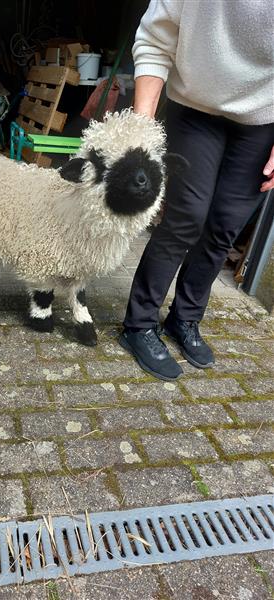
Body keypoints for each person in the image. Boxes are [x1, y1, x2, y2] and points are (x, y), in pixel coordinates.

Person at [119, 0, 274, 381]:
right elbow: (156, 40)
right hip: (195, 108)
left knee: (225, 224)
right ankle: (138, 324)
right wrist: (142, 128)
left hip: (263, 119)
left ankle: (184, 319)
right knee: (187, 215)